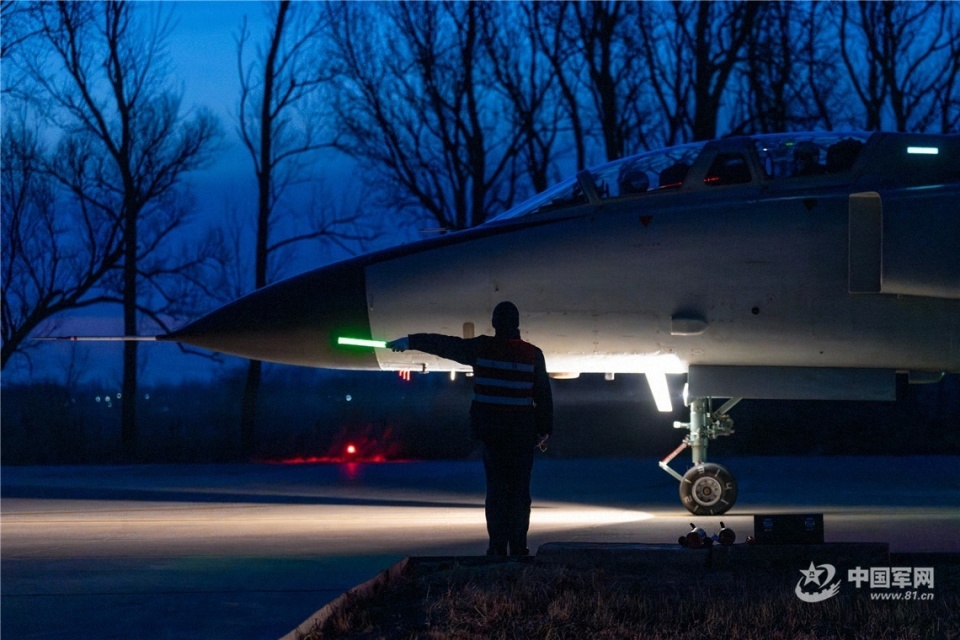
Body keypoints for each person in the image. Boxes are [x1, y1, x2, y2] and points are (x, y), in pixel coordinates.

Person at [387, 301, 553, 556]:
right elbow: (543, 396)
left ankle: (496, 549)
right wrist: (544, 431)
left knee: (496, 492)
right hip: (521, 437)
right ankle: (518, 548)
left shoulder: (482, 348)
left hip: (492, 436)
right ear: (517, 324)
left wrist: (410, 341)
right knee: (520, 493)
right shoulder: (533, 354)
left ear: (495, 324)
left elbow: (444, 345)